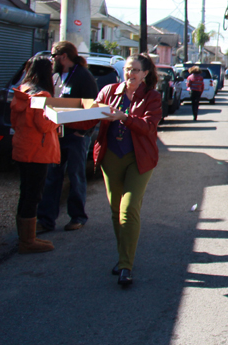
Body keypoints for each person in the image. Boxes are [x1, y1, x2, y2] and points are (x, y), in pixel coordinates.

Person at [94, 53, 163, 286]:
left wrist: (124, 117)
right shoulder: (108, 91)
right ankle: (123, 256)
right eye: (126, 69)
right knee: (116, 210)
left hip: (139, 158)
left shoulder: (152, 97)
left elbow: (149, 127)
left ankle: (125, 266)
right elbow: (90, 118)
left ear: (144, 74)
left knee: (129, 207)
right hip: (111, 156)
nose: (129, 74)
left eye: (134, 70)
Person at [37, 41, 99, 233]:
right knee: (52, 176)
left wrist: (85, 132)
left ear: (63, 56)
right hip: (57, 135)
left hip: (76, 136)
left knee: (75, 175)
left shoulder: (83, 76)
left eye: (54, 56)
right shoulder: (55, 76)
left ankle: (77, 216)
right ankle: (46, 220)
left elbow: (93, 107)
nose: (52, 60)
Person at [10, 58, 60, 253]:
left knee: (26, 193)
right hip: (38, 152)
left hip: (22, 148)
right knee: (33, 195)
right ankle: (27, 241)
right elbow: (44, 124)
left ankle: (23, 237)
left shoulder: (22, 91)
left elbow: (15, 122)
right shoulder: (42, 94)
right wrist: (58, 118)